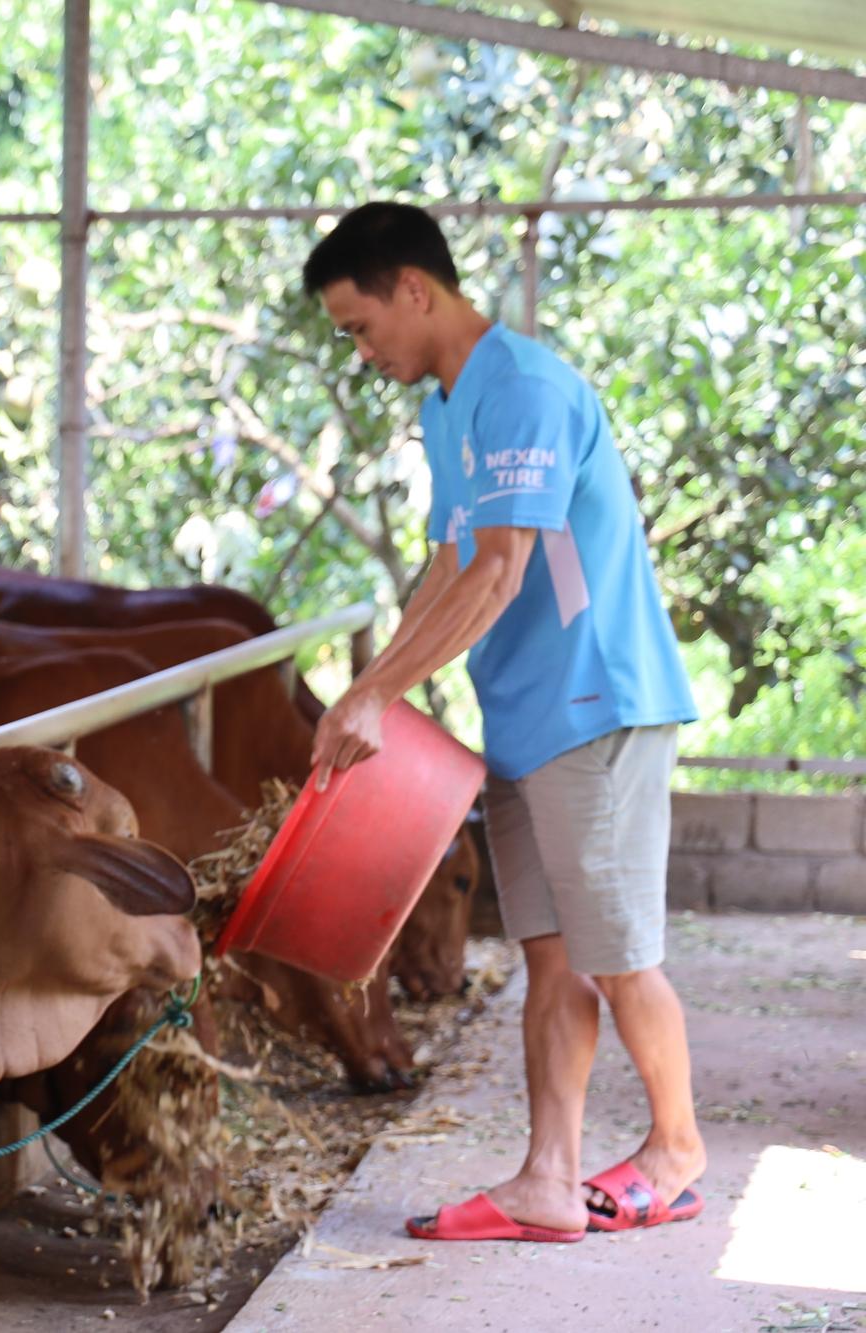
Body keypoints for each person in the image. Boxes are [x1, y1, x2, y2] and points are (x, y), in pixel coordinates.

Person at [300, 202, 704, 1242]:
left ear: (413, 290)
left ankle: (676, 1149)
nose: (359, 349)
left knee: (614, 956)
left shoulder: (519, 386)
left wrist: (375, 693)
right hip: (525, 714)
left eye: (357, 324)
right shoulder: (447, 405)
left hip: (594, 702)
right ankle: (546, 1178)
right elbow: (447, 560)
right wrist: (384, 683)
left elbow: (500, 567)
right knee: (553, 960)